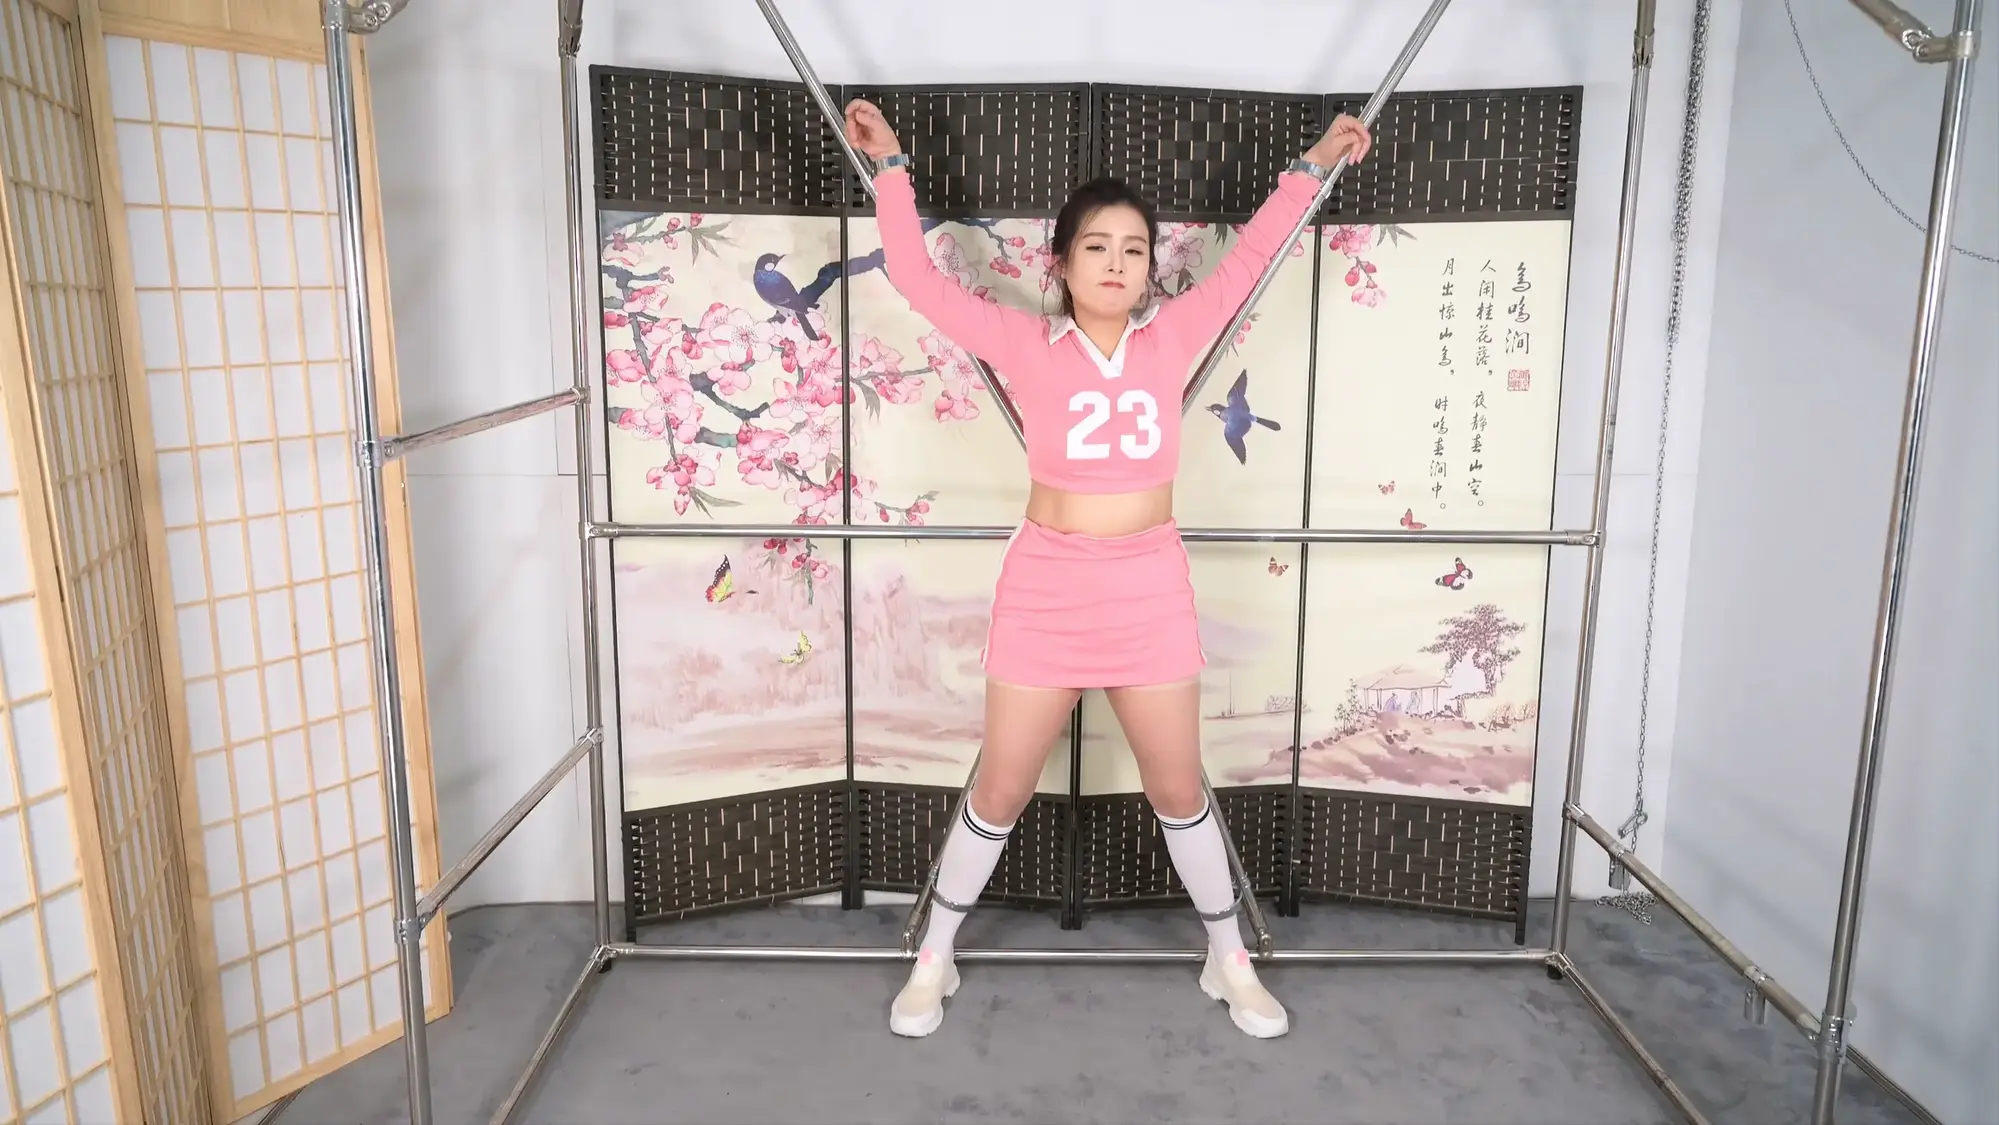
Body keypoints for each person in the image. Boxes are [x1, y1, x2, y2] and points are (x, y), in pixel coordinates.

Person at [843, 97, 1371, 1040]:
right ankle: (934, 955)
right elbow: (916, 278)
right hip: (1046, 584)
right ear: (1060, 261)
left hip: (1147, 585)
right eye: (1096, 246)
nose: (1117, 263)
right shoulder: (1022, 339)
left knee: (1177, 787)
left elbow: (1253, 256)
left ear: (1149, 265)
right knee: (1001, 787)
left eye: (1134, 248)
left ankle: (1228, 959)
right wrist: (889, 170)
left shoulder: (1172, 335)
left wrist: (1314, 162)